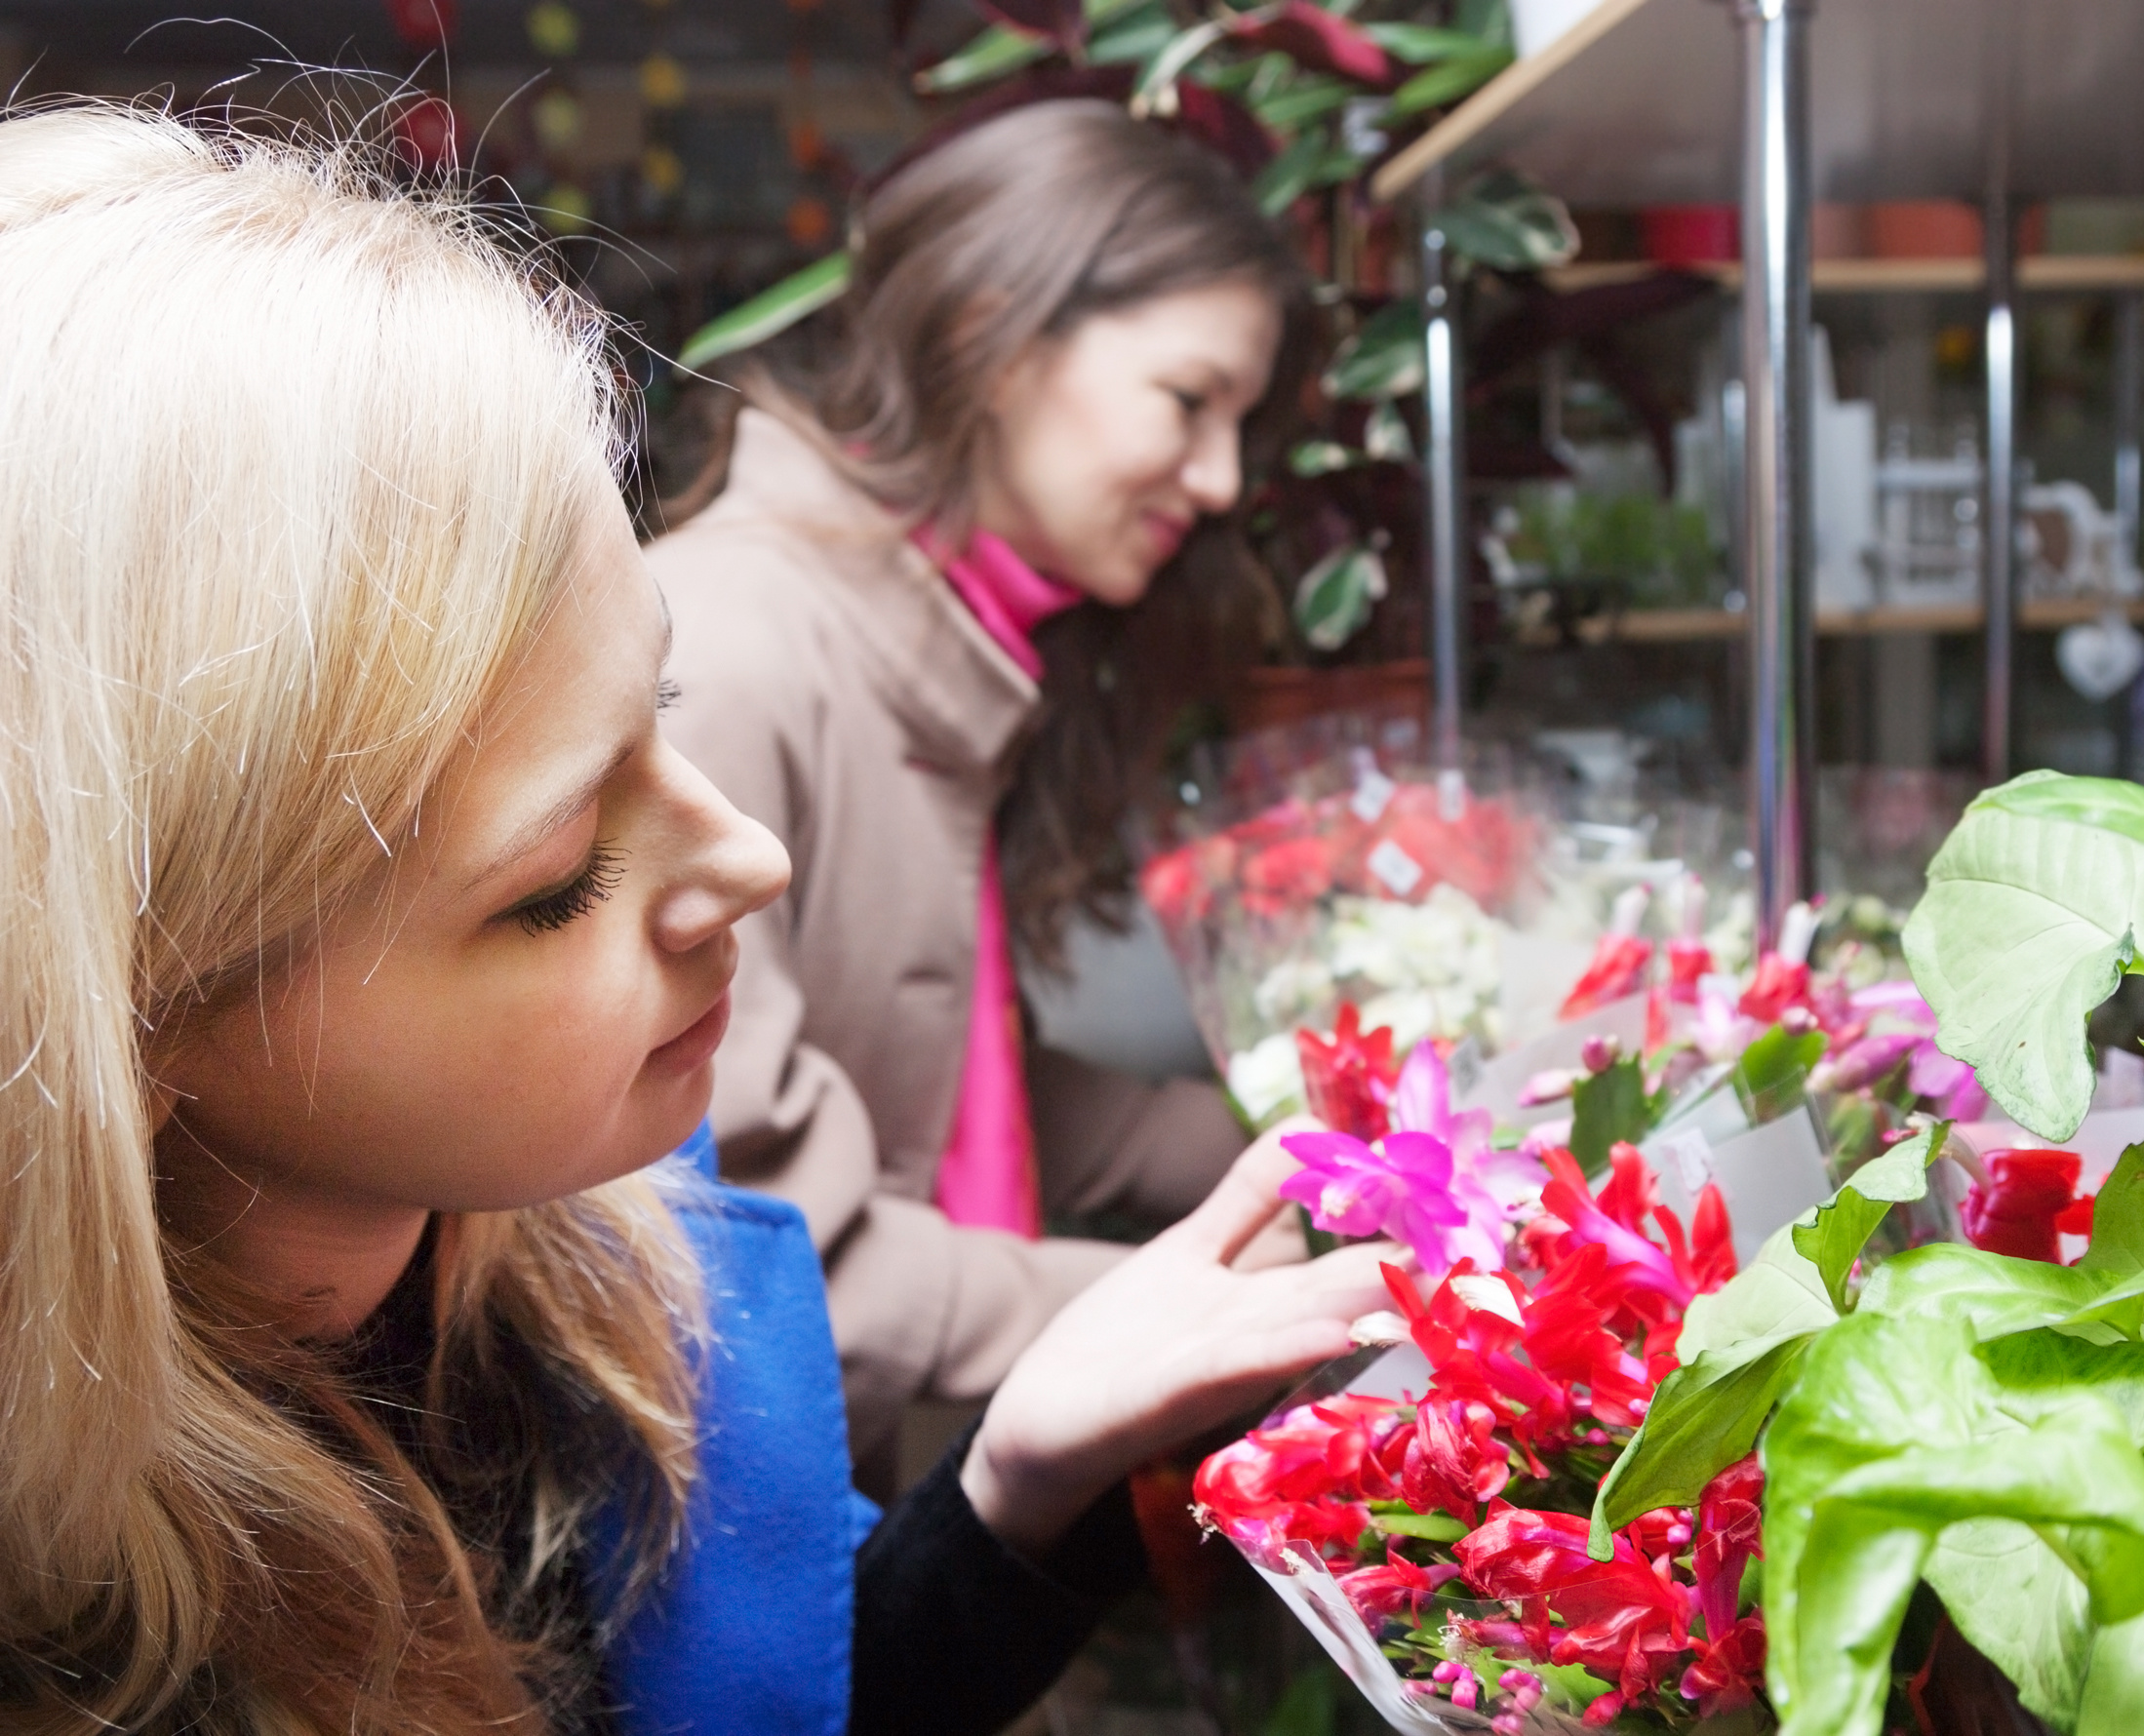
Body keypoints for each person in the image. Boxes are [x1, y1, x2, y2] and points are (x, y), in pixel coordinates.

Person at [0, 107, 1393, 1736]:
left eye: (662, 714)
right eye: (562, 872)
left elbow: (773, 1693)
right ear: (118, 1012)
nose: (749, 859)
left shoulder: (586, 1299)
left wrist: (1019, 1474)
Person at [647, 99, 1319, 1485]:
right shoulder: (733, 654)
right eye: (1190, 402)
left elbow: (926, 1072)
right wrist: (1202, 1316)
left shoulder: (945, 643)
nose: (1220, 479)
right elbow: (744, 1252)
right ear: (991, 336)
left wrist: (1318, 1153)